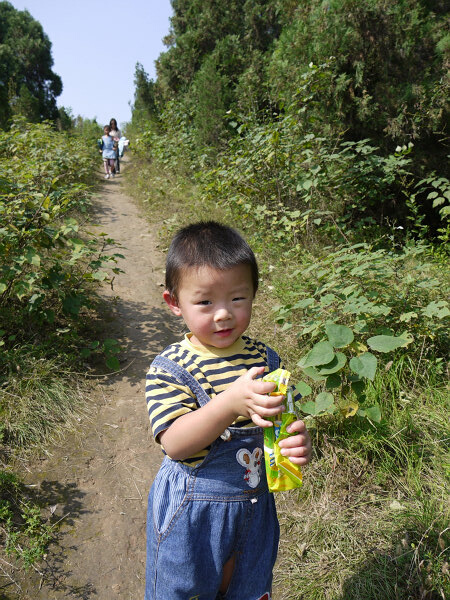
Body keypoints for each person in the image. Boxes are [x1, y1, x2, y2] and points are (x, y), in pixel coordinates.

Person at [145, 221, 312, 600]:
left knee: (245, 589)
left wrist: (297, 444)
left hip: (255, 508)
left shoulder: (265, 359)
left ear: (253, 293)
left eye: (237, 299)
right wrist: (228, 403)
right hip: (193, 513)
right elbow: (175, 444)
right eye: (204, 302)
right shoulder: (171, 367)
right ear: (174, 303)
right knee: (188, 590)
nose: (223, 314)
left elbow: (282, 423)